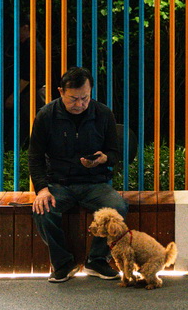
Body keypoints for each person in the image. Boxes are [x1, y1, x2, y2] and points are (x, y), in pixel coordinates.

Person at [29, 66, 128, 283]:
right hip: (58, 182)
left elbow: (114, 153)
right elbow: (35, 157)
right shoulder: (46, 115)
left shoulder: (103, 113)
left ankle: (97, 260)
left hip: (95, 182)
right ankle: (62, 263)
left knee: (118, 207)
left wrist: (103, 158)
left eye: (85, 98)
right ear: (60, 92)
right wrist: (42, 189)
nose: (80, 104)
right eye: (73, 99)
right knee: (43, 211)